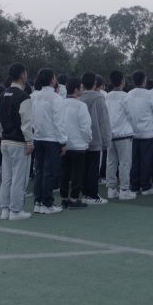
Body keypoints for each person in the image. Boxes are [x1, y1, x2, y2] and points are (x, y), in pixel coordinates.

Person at [0, 63, 34, 220]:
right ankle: (16, 211)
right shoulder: (23, 97)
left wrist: (2, 133)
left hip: (5, 140)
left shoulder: (2, 95)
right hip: (19, 142)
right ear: (23, 75)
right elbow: (26, 122)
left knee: (6, 178)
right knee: (19, 178)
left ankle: (5, 210)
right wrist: (30, 141)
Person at [31, 68, 67, 213]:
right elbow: (59, 122)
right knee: (50, 172)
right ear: (52, 80)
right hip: (52, 139)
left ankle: (38, 202)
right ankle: (47, 204)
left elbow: (32, 118)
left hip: (38, 137)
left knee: (39, 171)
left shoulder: (34, 96)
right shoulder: (56, 98)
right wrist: (63, 141)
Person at [80, 71, 111, 204]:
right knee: (93, 168)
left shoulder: (80, 97)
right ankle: (92, 195)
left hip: (82, 139)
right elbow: (103, 120)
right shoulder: (99, 98)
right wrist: (106, 140)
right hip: (95, 138)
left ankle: (85, 193)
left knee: (84, 168)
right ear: (95, 83)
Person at [60, 76, 91, 209]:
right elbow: (85, 127)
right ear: (76, 89)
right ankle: (74, 198)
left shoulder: (61, 103)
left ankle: (64, 198)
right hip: (78, 145)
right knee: (77, 174)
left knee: (65, 172)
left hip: (64, 144)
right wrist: (88, 139)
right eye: (81, 87)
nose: (82, 89)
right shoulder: (81, 105)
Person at [125, 70, 153, 196]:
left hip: (133, 132)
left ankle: (134, 185)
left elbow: (127, 113)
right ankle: (145, 186)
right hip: (148, 132)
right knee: (146, 160)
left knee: (134, 160)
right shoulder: (150, 94)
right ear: (144, 80)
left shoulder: (129, 95)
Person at [105, 70, 135, 201]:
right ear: (122, 81)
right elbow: (131, 115)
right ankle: (124, 189)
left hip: (110, 134)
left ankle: (111, 189)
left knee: (111, 162)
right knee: (125, 163)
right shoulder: (126, 97)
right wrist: (134, 128)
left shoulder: (107, 96)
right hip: (124, 134)